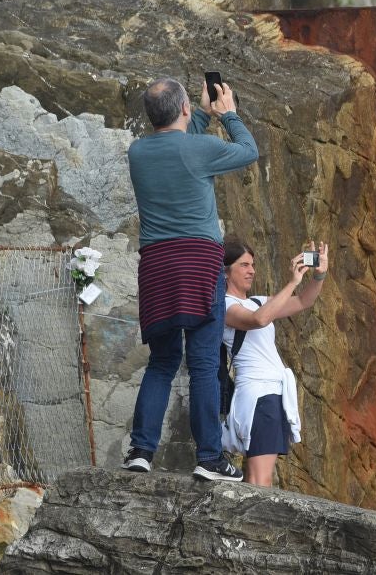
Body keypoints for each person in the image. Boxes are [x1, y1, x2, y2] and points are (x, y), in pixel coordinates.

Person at [122, 75, 258, 482]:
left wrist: (198, 112)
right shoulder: (201, 148)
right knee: (202, 363)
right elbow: (248, 151)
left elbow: (179, 149)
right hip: (199, 262)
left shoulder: (138, 152)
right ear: (181, 109)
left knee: (162, 361)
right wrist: (227, 114)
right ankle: (209, 458)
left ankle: (141, 451)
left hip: (157, 264)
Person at [222, 235, 329, 486]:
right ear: (225, 272)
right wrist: (293, 281)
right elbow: (258, 320)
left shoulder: (259, 301)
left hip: (272, 393)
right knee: (262, 479)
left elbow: (304, 301)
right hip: (258, 394)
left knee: (255, 476)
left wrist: (318, 276)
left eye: (253, 265)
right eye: (244, 265)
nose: (252, 271)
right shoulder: (225, 305)